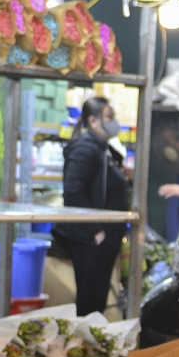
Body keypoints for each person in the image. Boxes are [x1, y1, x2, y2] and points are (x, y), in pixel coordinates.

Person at [52, 96, 128, 316]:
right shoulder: (85, 149)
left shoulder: (104, 149)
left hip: (103, 237)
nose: (114, 121)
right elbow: (73, 191)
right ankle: (85, 347)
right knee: (90, 299)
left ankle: (92, 345)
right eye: (109, 117)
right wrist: (96, 229)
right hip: (90, 238)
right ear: (93, 122)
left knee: (97, 298)